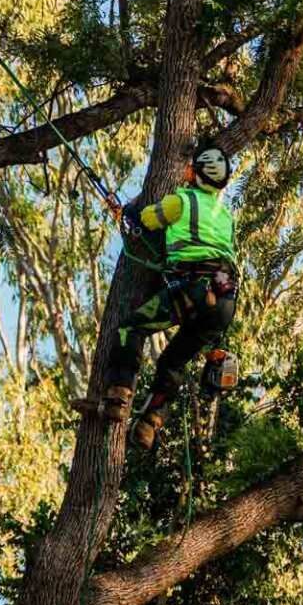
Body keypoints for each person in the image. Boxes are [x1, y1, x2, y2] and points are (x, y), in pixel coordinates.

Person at [100, 143, 239, 448]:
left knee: (131, 328)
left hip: (195, 288)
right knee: (173, 362)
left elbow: (147, 219)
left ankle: (118, 396)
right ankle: (150, 421)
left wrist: (126, 212)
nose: (186, 170)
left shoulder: (183, 200)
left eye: (192, 167)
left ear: (197, 174)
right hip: (225, 299)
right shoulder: (226, 216)